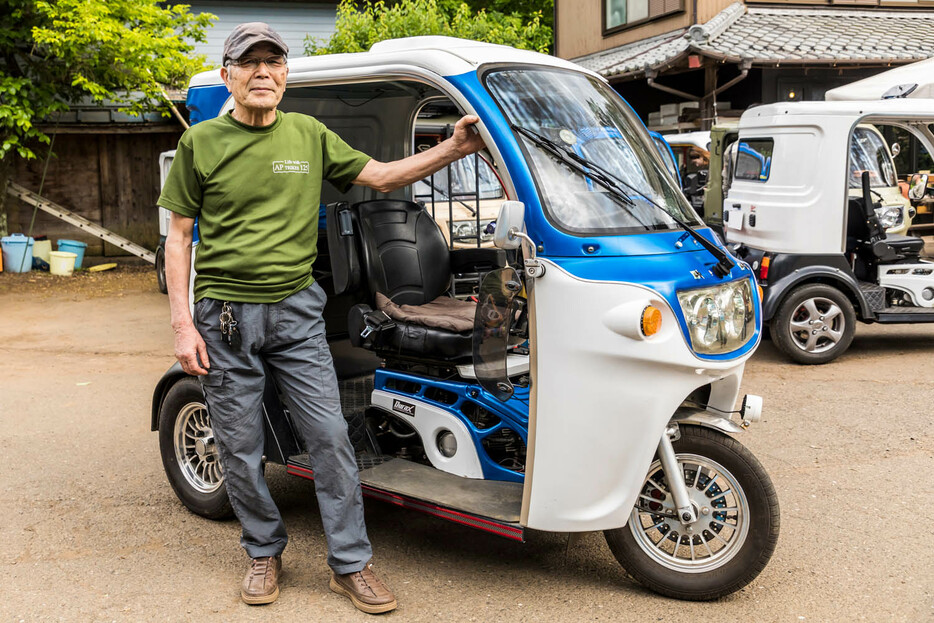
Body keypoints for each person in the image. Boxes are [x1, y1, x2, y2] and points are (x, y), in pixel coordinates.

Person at [158, 22, 485, 614]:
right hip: (224, 318)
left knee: (331, 437)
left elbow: (382, 175)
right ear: (229, 75)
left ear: (285, 74)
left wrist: (454, 149)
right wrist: (183, 324)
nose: (262, 73)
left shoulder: (309, 135)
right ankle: (263, 550)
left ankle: (350, 564)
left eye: (273, 62)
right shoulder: (199, 145)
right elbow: (179, 238)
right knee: (239, 444)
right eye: (249, 63)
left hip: (295, 315)